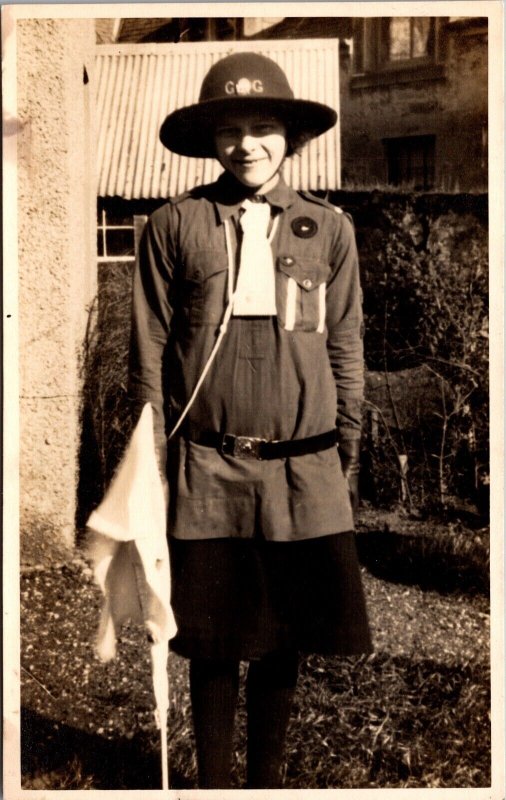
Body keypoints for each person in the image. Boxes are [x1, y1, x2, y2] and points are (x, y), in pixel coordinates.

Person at [129, 51, 372, 789]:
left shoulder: (327, 229)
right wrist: (149, 466)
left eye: (263, 126)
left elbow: (345, 346)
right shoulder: (176, 225)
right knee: (212, 640)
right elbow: (147, 352)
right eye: (230, 130)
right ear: (211, 141)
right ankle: (214, 785)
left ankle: (264, 783)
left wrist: (347, 450)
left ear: (289, 138)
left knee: (282, 638)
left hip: (306, 466)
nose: (247, 144)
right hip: (209, 466)